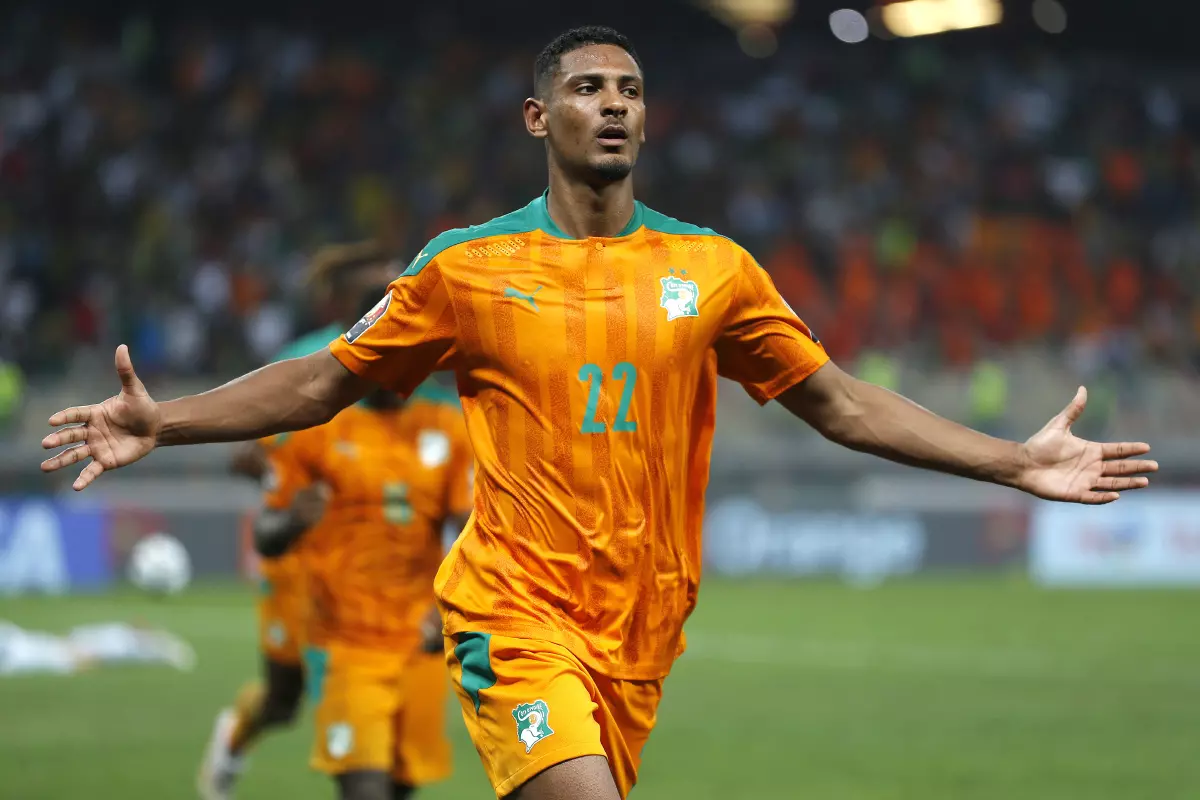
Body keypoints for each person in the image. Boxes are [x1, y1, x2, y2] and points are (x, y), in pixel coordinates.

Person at [41, 26, 1158, 800]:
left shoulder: (713, 269)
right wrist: (164, 421)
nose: (615, 102)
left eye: (629, 89)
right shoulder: (466, 267)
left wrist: (1015, 461)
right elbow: (324, 381)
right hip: (513, 612)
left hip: (640, 627)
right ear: (539, 116)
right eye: (588, 88)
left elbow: (841, 401)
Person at [251, 289, 473, 800]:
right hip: (345, 644)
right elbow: (266, 536)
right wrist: (292, 522)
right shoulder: (316, 430)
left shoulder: (447, 428)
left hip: (419, 642)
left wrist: (448, 610)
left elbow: (472, 532)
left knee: (399, 788)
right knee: (364, 791)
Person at [198, 242, 399, 800]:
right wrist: (278, 479)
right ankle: (237, 733)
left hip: (369, 562)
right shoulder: (308, 360)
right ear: (343, 301)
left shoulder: (408, 349)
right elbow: (253, 453)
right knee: (284, 697)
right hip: (300, 559)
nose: (390, 298)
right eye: (376, 291)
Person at [0, 620, 194, 676]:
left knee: (91, 643)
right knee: (96, 646)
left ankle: (148, 643)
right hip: (55, 656)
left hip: (49, 649)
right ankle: (151, 646)